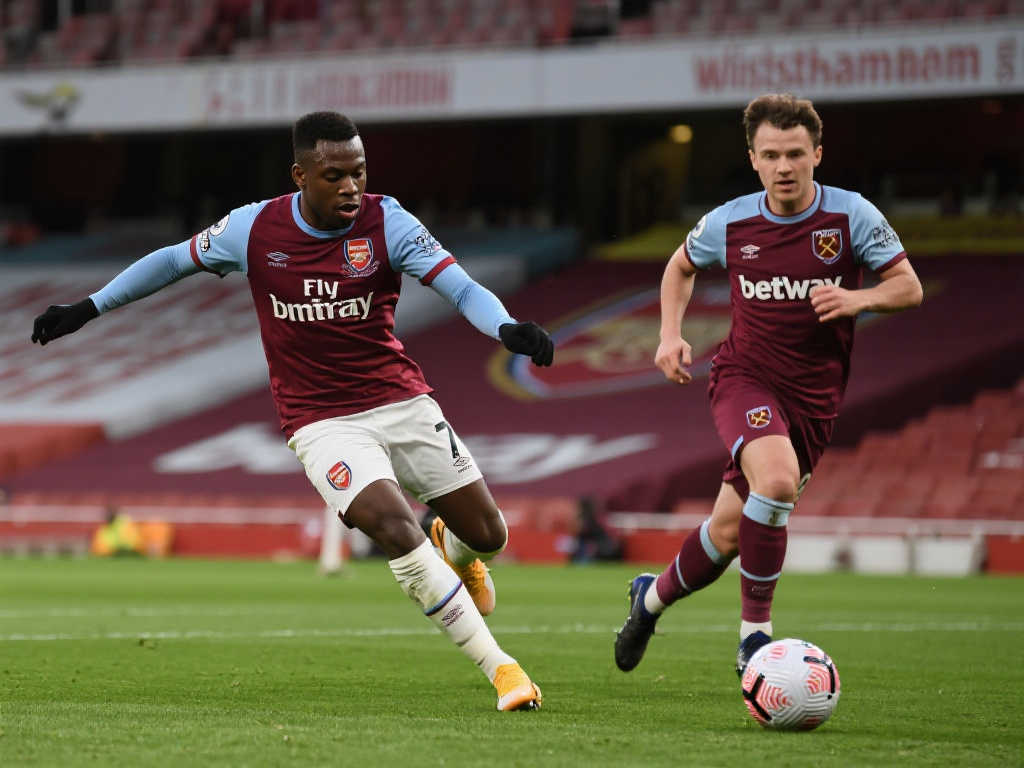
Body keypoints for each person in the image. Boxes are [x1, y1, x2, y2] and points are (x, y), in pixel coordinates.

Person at [32, 111, 554, 712]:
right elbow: (174, 261)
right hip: (321, 421)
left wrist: (504, 326)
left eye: (359, 172)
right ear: (300, 176)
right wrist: (89, 307)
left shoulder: (390, 222)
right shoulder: (254, 229)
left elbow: (459, 286)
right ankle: (503, 669)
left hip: (400, 400)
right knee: (394, 528)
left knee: (489, 535)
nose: (351, 187)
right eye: (334, 176)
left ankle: (456, 549)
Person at [614, 93, 923, 677]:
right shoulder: (730, 222)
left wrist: (858, 298)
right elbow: (679, 266)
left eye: (796, 154)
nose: (785, 167)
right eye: (772, 155)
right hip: (744, 379)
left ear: (817, 155)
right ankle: (754, 639)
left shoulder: (852, 216)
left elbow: (909, 286)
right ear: (753, 159)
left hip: (814, 401)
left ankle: (648, 600)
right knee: (776, 482)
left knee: (728, 533)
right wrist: (669, 334)